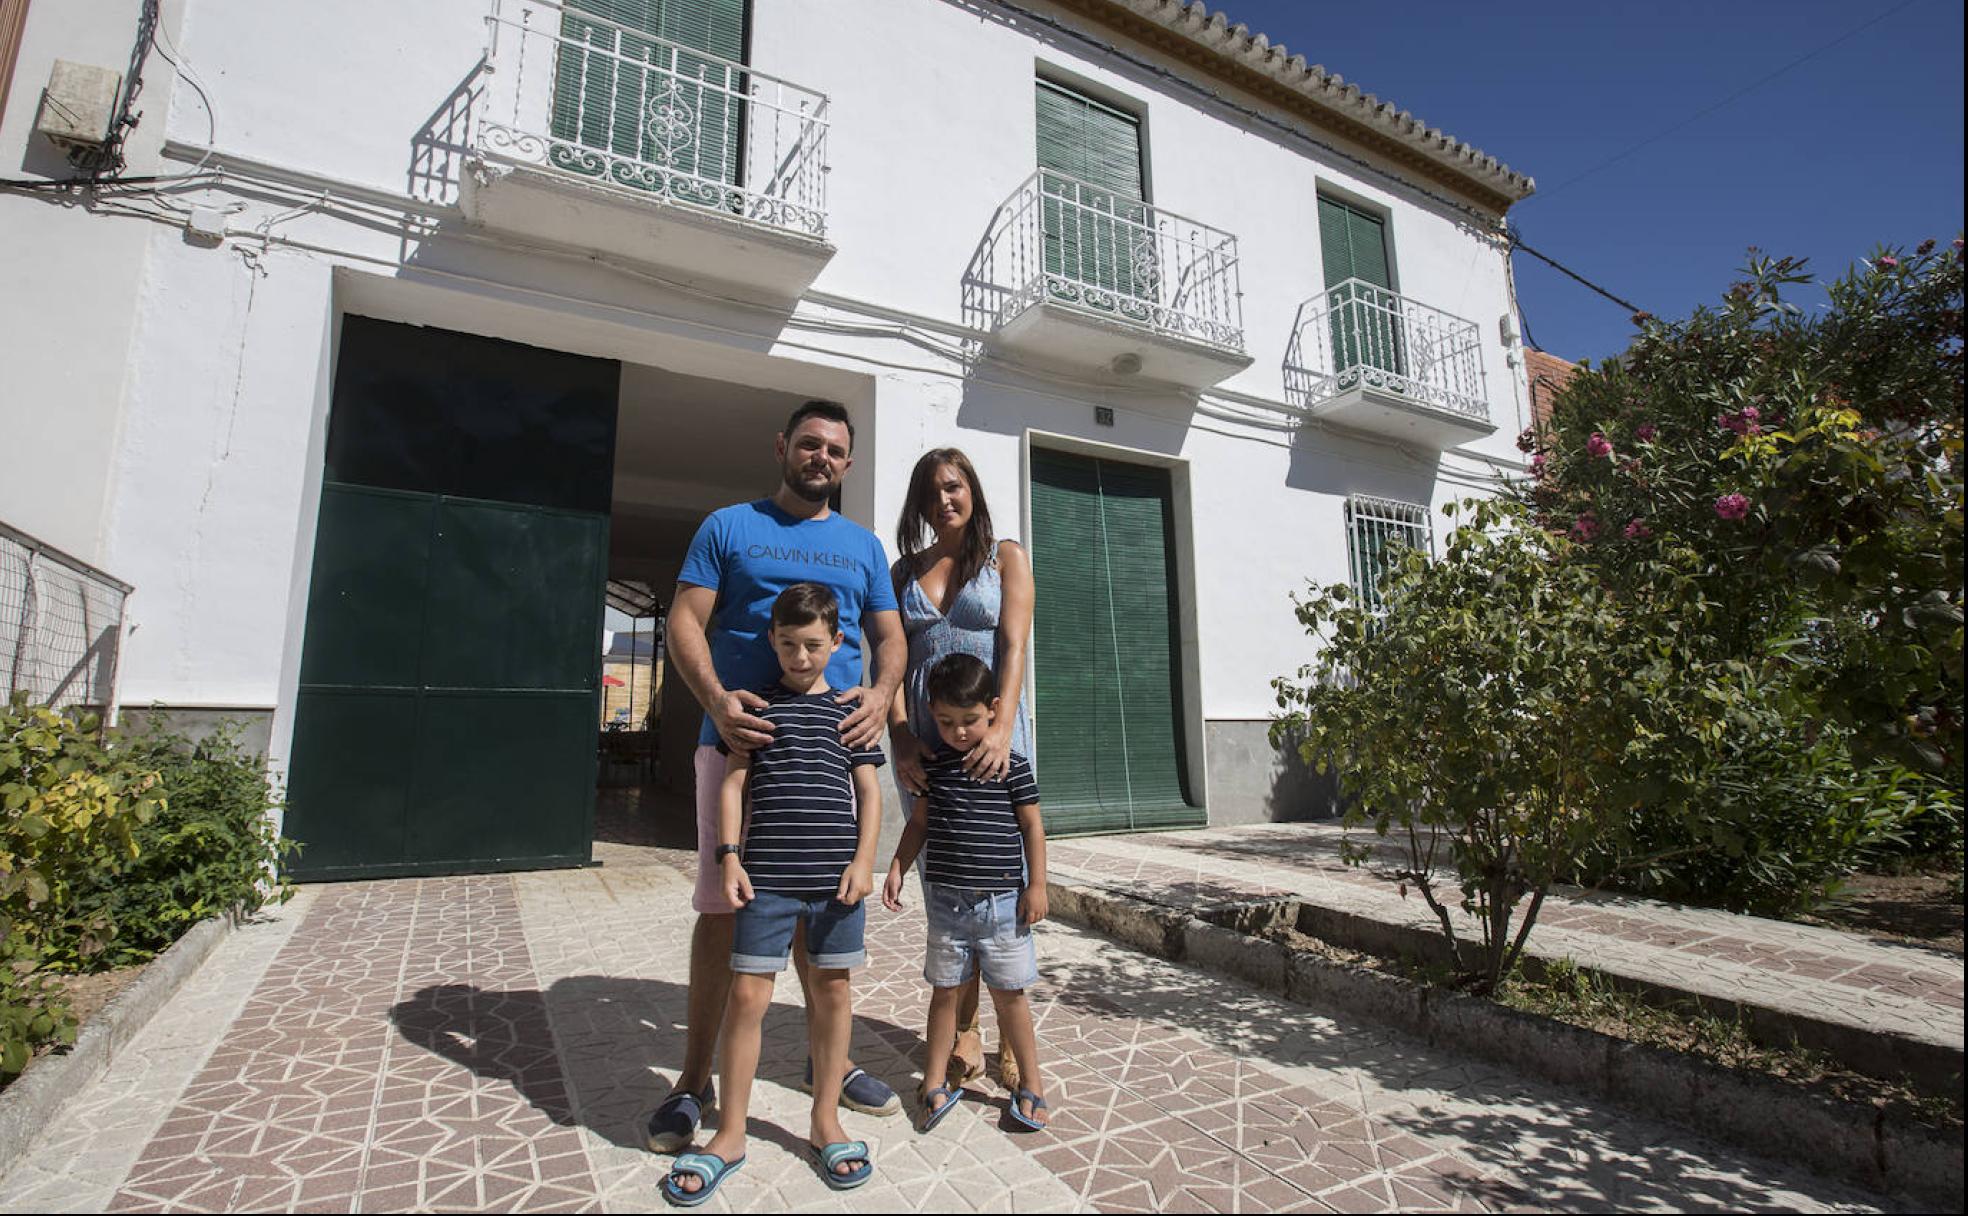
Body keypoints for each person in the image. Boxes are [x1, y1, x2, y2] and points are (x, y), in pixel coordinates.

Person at [650, 400, 906, 1157]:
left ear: (848, 465)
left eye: (834, 448)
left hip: (835, 755)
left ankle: (830, 1064)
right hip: (741, 748)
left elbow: (891, 640)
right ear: (782, 449)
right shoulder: (729, 526)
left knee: (823, 906)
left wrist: (883, 697)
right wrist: (718, 704)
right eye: (808, 444)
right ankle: (695, 1081)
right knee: (726, 909)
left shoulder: (862, 546)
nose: (820, 456)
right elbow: (684, 622)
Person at [663, 584, 887, 1204]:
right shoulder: (757, 711)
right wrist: (729, 858)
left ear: (836, 643)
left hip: (835, 886)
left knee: (833, 993)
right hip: (768, 881)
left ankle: (824, 1121)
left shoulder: (849, 713)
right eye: (787, 644)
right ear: (772, 641)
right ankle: (731, 1131)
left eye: (813, 645)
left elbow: (869, 795)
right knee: (747, 998)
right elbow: (733, 787)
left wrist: (865, 861)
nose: (800, 655)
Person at [886, 447, 1035, 1089]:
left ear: (972, 489)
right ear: (919, 503)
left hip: (991, 733)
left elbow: (1014, 644)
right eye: (932, 491)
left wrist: (1002, 728)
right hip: (925, 738)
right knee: (945, 871)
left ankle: (1010, 1026)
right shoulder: (902, 570)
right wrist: (899, 737)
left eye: (955, 486)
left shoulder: (1006, 557)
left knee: (1003, 873)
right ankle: (966, 1027)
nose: (945, 499)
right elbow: (889, 660)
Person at [882, 652, 1050, 1132]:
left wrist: (1036, 884)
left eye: (970, 720)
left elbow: (1032, 827)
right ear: (931, 713)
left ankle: (1032, 1083)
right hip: (947, 906)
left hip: (1002, 906)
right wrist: (896, 865)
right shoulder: (935, 768)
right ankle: (933, 1082)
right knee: (945, 995)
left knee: (1010, 997)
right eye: (945, 721)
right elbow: (919, 823)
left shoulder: (1010, 767)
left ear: (994, 709)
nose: (958, 732)